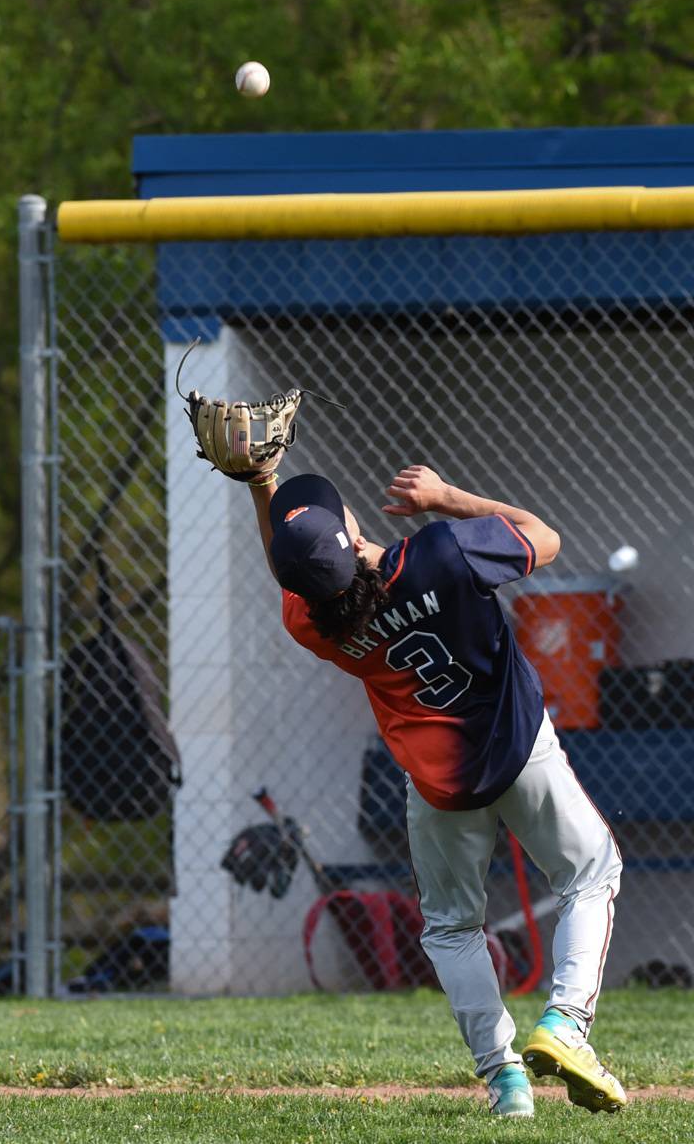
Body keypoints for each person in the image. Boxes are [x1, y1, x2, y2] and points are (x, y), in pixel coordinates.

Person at [249, 463, 625, 1119]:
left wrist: (262, 482)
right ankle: (565, 1024)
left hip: (438, 786)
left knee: (453, 927)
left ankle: (505, 1080)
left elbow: (296, 573)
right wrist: (446, 498)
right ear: (350, 529)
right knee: (592, 875)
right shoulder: (440, 554)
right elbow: (546, 536)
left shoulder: (317, 624)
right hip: (518, 748)